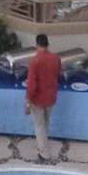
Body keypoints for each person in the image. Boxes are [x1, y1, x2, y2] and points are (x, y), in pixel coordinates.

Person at [24, 31, 62, 160]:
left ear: (36, 45)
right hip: (51, 96)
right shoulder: (56, 58)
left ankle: (44, 153)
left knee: (39, 125)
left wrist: (28, 100)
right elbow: (58, 74)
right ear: (47, 44)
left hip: (38, 98)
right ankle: (43, 144)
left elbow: (31, 84)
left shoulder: (35, 61)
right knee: (46, 123)